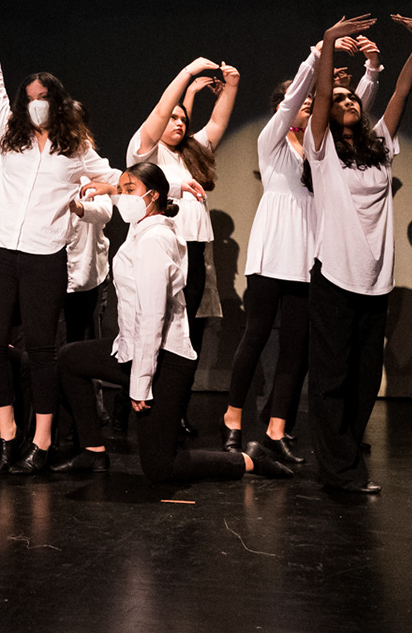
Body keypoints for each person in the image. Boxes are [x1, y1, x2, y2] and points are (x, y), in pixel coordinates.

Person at [55, 162, 290, 482]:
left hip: (165, 362)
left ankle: (249, 460)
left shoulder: (155, 239)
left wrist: (140, 383)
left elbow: (153, 317)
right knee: (70, 358)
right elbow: (126, 190)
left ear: (153, 196)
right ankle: (93, 451)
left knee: (160, 467)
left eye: (129, 191)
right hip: (132, 351)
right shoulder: (142, 228)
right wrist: (113, 189)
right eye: (121, 191)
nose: (123, 197)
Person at [0, 11, 119, 475]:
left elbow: (115, 177)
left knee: (40, 349)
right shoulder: (9, 136)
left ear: (56, 101)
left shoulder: (75, 149)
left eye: (43, 98)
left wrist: (153, 186)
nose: (36, 105)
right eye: (29, 99)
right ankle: (8, 434)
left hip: (44, 256)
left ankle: (43, 441)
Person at [221, 36, 382, 461]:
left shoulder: (317, 145)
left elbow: (352, 111)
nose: (308, 104)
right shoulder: (271, 142)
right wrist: (317, 57)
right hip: (273, 250)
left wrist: (370, 73)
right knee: (256, 336)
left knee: (297, 348)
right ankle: (232, 419)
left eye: (312, 101)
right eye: (300, 100)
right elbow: (295, 99)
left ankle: (276, 429)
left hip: (308, 254)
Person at [304, 12, 412, 493]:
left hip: (376, 281)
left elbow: (401, 95)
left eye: (350, 97)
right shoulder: (321, 151)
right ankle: (338, 470)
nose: (346, 101)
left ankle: (346, 456)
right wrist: (329, 40)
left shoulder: (380, 146)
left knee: (363, 378)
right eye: (339, 98)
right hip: (335, 276)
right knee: (331, 377)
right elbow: (320, 97)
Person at [130, 57, 238, 431]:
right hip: (161, 249)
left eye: (183, 119)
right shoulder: (146, 151)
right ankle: (136, 402)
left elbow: (217, 124)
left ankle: (175, 408)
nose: (178, 122)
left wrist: (231, 87)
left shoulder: (190, 152)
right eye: (171, 118)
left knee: (188, 331)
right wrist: (187, 75)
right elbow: (162, 112)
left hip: (194, 250)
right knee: (154, 326)